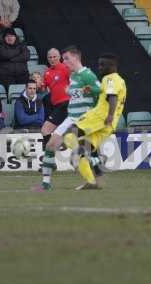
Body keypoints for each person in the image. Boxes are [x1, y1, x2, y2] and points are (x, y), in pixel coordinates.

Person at [36, 46, 101, 191]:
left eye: (66, 59)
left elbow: (100, 90)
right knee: (50, 145)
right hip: (71, 117)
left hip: (83, 118)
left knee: (75, 150)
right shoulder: (73, 76)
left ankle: (94, 166)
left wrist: (86, 92)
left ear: (76, 58)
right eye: (63, 59)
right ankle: (45, 184)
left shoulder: (87, 74)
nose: (64, 62)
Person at [63, 53, 127, 190]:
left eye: (102, 65)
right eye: (99, 64)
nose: (100, 67)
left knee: (69, 133)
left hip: (99, 117)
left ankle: (86, 157)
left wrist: (109, 114)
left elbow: (112, 97)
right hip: (110, 124)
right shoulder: (120, 80)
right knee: (83, 146)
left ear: (112, 66)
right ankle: (91, 181)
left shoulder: (110, 79)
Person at [40, 48, 70, 150]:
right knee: (46, 131)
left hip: (66, 104)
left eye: (54, 57)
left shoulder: (66, 68)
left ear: (59, 57)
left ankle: (51, 149)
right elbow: (43, 88)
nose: (52, 59)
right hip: (56, 106)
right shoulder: (47, 73)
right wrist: (40, 85)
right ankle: (55, 148)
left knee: (45, 130)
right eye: (50, 57)